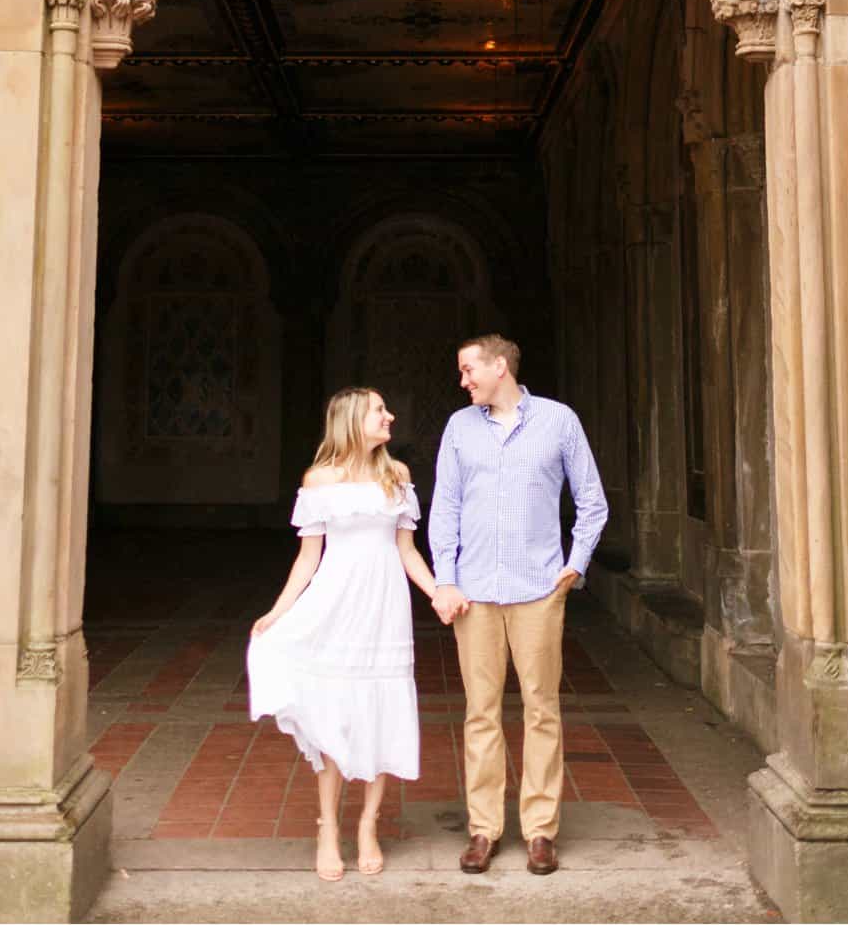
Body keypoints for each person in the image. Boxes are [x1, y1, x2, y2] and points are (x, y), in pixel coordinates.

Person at [247, 386, 449, 881]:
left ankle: (367, 826)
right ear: (353, 419)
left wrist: (438, 592)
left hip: (385, 608)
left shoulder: (396, 476)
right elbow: (307, 558)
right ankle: (327, 829)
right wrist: (277, 612)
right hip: (335, 606)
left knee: (380, 713)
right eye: (380, 410)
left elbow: (407, 551)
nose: (390, 416)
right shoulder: (319, 480)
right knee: (335, 716)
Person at [428, 334, 608, 877]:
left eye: (468, 370)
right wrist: (445, 579)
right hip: (475, 593)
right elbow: (446, 507)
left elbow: (592, 502)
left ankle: (540, 832)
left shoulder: (559, 422)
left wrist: (574, 566)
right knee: (480, 712)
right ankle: (483, 829)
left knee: (541, 709)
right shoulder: (459, 429)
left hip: (538, 591)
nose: (462, 382)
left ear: (499, 367)